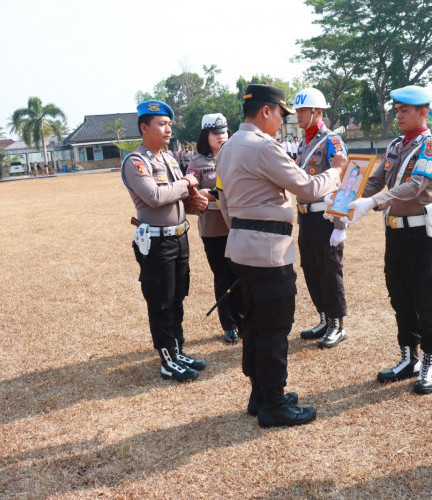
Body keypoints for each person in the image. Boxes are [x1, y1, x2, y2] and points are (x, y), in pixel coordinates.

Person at [217, 84, 347, 427]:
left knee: (255, 324)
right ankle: (273, 402)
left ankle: (260, 393)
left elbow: (226, 204)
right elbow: (306, 187)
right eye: (280, 114)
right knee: (274, 326)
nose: (282, 121)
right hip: (268, 252)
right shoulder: (263, 147)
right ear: (266, 112)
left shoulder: (229, 146)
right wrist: (337, 171)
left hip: (242, 247)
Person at [344, 85, 432, 395]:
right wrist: (345, 195)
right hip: (395, 230)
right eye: (397, 110)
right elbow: (375, 180)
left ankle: (429, 361)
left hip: (420, 232)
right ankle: (408, 356)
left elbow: (417, 185)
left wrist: (374, 202)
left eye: (405, 110)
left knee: (424, 297)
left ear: (422, 113)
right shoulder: (395, 145)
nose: (399, 115)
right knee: (399, 294)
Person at [122, 100, 209, 382]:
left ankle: (178, 350)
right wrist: (186, 184)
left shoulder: (169, 159)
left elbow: (181, 197)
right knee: (161, 301)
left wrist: (198, 200)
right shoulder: (137, 162)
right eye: (162, 123)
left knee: (178, 297)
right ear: (144, 128)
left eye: (169, 123)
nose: (168, 128)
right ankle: (167, 361)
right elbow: (155, 197)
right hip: (157, 244)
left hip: (179, 238)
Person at [293, 87, 349, 348]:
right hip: (305, 216)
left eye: (303, 111)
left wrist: (340, 222)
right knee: (311, 268)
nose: (299, 115)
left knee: (329, 269)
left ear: (318, 112)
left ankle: (337, 323)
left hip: (325, 217)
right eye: (298, 111)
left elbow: (344, 180)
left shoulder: (331, 141)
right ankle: (324, 317)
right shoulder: (304, 142)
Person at [187, 113, 244, 344]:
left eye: (223, 132)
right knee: (222, 276)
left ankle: (244, 319)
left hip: (237, 226)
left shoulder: (236, 155)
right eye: (215, 133)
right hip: (213, 229)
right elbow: (190, 198)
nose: (221, 137)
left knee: (241, 274)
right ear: (205, 135)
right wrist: (208, 198)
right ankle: (228, 324)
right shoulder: (197, 162)